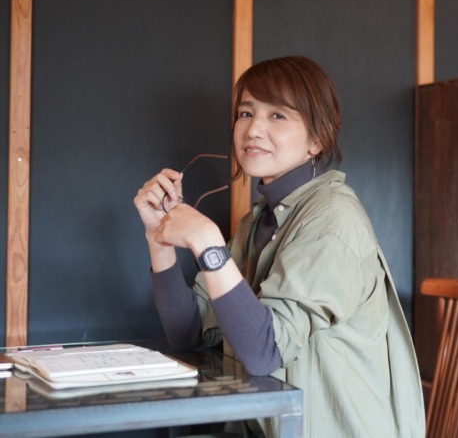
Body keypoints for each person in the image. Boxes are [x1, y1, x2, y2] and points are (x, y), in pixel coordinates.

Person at [134, 56, 425, 437]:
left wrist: (206, 241)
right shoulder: (258, 221)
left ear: (317, 139)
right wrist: (158, 238)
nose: (253, 129)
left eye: (278, 115)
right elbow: (188, 335)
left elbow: (264, 351)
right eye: (245, 113)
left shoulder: (332, 219)